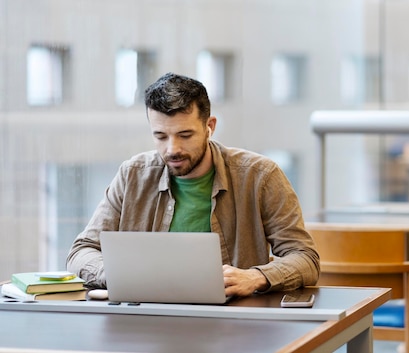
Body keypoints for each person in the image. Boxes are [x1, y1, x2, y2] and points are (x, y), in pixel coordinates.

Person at [66, 72, 320, 297]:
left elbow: (305, 259)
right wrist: (117, 274)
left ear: (210, 127)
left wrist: (255, 277)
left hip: (236, 324)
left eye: (185, 135)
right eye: (161, 136)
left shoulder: (260, 176)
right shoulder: (132, 175)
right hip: (146, 320)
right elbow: (82, 251)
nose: (172, 149)